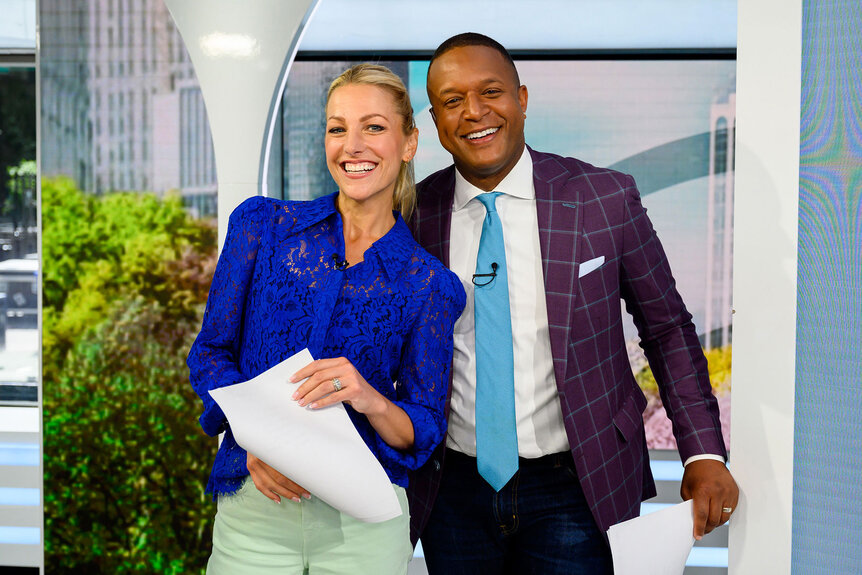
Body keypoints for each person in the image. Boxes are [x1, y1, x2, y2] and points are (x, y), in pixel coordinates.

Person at [407, 33, 739, 574]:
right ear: (435, 120)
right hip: (452, 493)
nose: (473, 112)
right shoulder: (415, 217)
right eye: (451, 100)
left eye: (491, 91)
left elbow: (668, 330)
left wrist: (702, 452)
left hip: (579, 487)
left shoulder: (604, 198)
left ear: (522, 99)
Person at [187, 63, 465, 575]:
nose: (352, 145)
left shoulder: (429, 284)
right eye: (338, 128)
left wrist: (369, 396)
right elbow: (210, 354)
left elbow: (422, 426)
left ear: (409, 143)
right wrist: (254, 437)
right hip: (256, 512)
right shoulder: (262, 228)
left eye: (374, 127)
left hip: (364, 528)